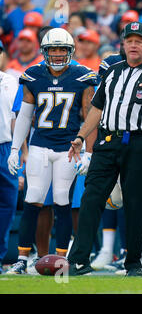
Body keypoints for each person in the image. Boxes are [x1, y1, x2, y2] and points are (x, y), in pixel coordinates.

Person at [67, 21, 142, 277]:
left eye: (139, 41)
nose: (134, 45)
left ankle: (134, 262)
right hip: (106, 142)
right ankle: (79, 259)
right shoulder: (112, 72)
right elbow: (97, 108)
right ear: (123, 44)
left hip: (138, 142)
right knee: (91, 198)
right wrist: (81, 137)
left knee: (135, 204)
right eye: (130, 40)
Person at [5, 28, 98, 274]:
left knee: (61, 200)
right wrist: (15, 149)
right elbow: (25, 115)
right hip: (39, 145)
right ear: (45, 51)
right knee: (33, 198)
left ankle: (60, 258)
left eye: (62, 50)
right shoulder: (33, 76)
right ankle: (23, 259)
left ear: (70, 51)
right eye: (53, 50)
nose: (57, 54)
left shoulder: (82, 76)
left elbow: (90, 115)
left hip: (68, 148)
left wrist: (89, 151)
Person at [0, 40, 19, 274]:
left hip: (6, 146)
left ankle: (1, 255)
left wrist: (20, 152)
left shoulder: (10, 81)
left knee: (7, 203)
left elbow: (18, 118)